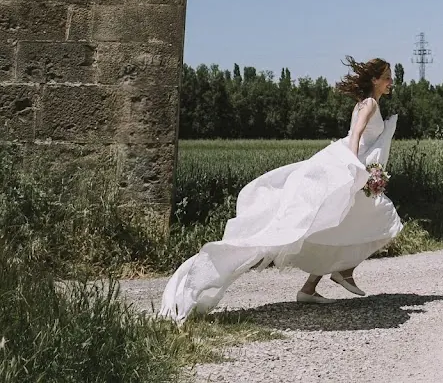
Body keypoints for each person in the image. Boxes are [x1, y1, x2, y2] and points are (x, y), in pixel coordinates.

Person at [159, 57, 403, 323]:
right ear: (374, 80)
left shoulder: (369, 103)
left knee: (336, 223)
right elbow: (355, 134)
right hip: (348, 167)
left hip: (354, 168)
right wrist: (353, 168)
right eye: (387, 77)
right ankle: (341, 271)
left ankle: (314, 286)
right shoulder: (369, 104)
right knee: (380, 217)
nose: (391, 81)